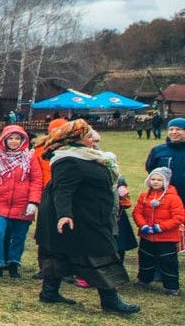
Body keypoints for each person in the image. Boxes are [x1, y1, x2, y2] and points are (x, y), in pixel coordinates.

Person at [33, 120, 139, 313]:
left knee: (61, 249)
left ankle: (50, 292)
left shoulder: (89, 156)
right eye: (89, 136)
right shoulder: (67, 160)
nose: (94, 139)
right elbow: (62, 190)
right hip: (71, 214)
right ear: (77, 139)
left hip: (86, 212)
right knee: (96, 250)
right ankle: (109, 299)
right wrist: (64, 214)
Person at [0, 125, 43, 279]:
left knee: (18, 236)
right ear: (5, 139)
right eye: (11, 138)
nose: (14, 141)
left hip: (23, 203)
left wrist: (33, 201)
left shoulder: (30, 157)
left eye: (17, 138)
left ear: (23, 140)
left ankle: (13, 263)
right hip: (1, 203)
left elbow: (37, 180)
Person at [132, 167, 182, 296]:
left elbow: (179, 217)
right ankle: (144, 279)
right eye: (153, 179)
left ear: (165, 182)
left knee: (168, 262)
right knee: (145, 258)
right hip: (147, 236)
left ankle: (171, 286)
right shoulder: (144, 196)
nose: (155, 182)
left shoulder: (173, 198)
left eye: (159, 180)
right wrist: (142, 225)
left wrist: (160, 227)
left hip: (167, 238)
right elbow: (137, 212)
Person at [145, 117, 185, 197]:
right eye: (171, 129)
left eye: (178, 129)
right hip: (165, 196)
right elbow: (151, 170)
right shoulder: (157, 150)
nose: (174, 132)